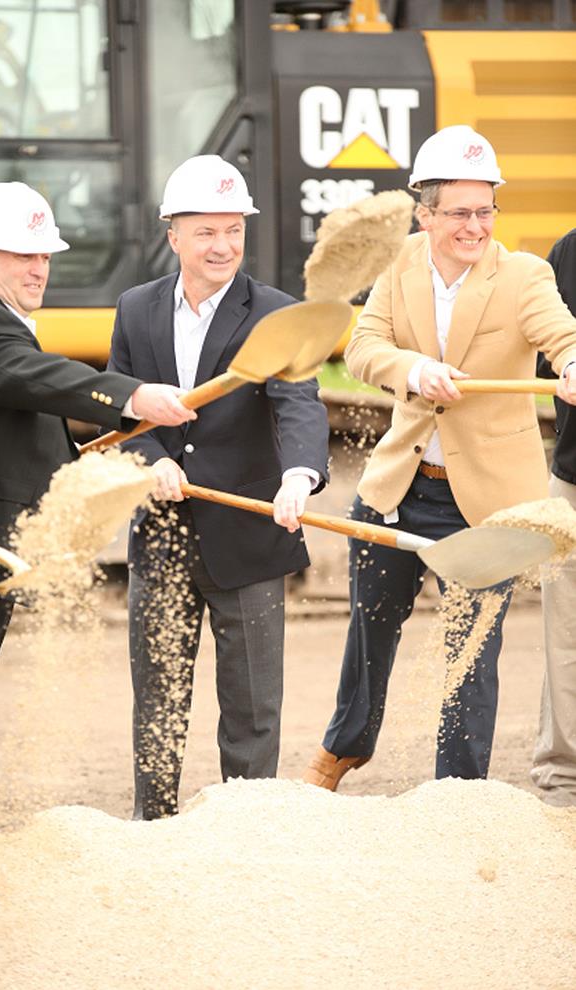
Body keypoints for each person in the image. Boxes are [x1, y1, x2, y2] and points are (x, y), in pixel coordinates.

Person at [0, 181, 196, 847]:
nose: (39, 268)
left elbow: (24, 425)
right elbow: (43, 378)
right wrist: (134, 396)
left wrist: (125, 469)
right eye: (22, 256)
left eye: (44, 256)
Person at [302, 125, 576, 792]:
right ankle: (343, 749)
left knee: (472, 650)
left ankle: (459, 791)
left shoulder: (523, 275)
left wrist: (572, 362)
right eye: (459, 212)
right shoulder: (399, 268)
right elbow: (363, 347)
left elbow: (559, 332)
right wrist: (415, 369)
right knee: (370, 629)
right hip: (400, 484)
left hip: (487, 501)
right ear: (424, 214)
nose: (475, 226)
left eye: (485, 211)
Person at [107, 154, 329, 820]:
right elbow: (120, 409)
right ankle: (154, 828)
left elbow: (299, 403)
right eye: (206, 231)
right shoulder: (136, 309)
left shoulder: (275, 315)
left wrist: (299, 474)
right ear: (172, 233)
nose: (223, 246)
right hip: (163, 536)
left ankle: (247, 831)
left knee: (253, 708)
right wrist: (149, 460)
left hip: (252, 536)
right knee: (158, 701)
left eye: (234, 230)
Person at [531, 228, 576, 806]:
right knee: (565, 633)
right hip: (573, 481)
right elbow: (546, 351)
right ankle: (563, 775)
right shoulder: (568, 253)